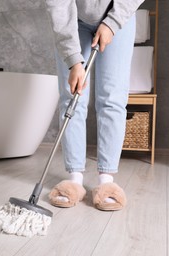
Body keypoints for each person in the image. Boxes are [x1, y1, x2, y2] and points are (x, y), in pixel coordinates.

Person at [45, 0, 144, 211]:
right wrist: (73, 61)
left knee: (112, 99)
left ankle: (107, 180)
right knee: (72, 96)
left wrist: (112, 22)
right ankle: (74, 179)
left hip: (118, 14)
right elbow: (58, 6)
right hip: (74, 21)